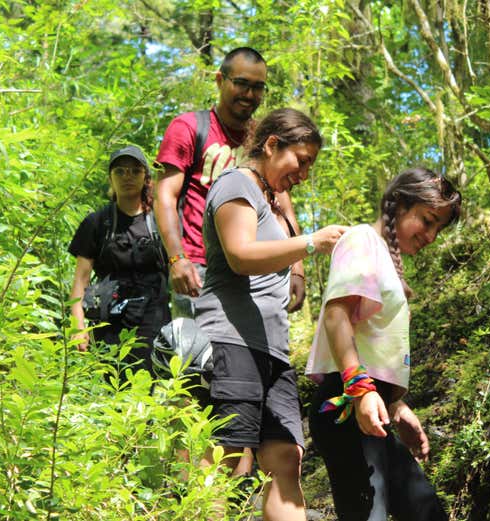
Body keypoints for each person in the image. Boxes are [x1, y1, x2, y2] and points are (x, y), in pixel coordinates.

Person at [197, 107, 348, 520]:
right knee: (223, 458)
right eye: (301, 161)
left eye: (310, 165)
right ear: (271, 145)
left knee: (286, 459)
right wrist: (310, 243)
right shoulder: (236, 184)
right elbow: (241, 255)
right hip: (231, 341)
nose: (303, 173)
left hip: (273, 351)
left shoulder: (273, 200)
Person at [305, 167, 462, 521]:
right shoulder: (362, 239)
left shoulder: (385, 260)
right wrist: (360, 389)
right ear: (400, 204)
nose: (432, 235)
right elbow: (336, 316)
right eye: (427, 220)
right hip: (345, 403)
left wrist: (398, 406)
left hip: (367, 407)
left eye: (438, 227)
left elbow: (371, 343)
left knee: (426, 511)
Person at [154, 47, 307, 320]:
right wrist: (177, 259)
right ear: (220, 80)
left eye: (258, 87)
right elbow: (165, 195)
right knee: (197, 357)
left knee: (246, 360)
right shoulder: (188, 127)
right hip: (200, 268)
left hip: (257, 268)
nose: (249, 95)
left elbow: (281, 206)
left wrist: (297, 267)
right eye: (241, 83)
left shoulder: (264, 140)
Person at [68, 145, 169, 374]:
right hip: (108, 321)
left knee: (146, 387)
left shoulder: (162, 222)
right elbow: (80, 281)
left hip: (153, 319)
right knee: (109, 387)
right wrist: (78, 326)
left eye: (135, 171)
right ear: (110, 178)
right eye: (120, 171)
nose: (127, 177)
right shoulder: (97, 223)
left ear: (146, 177)